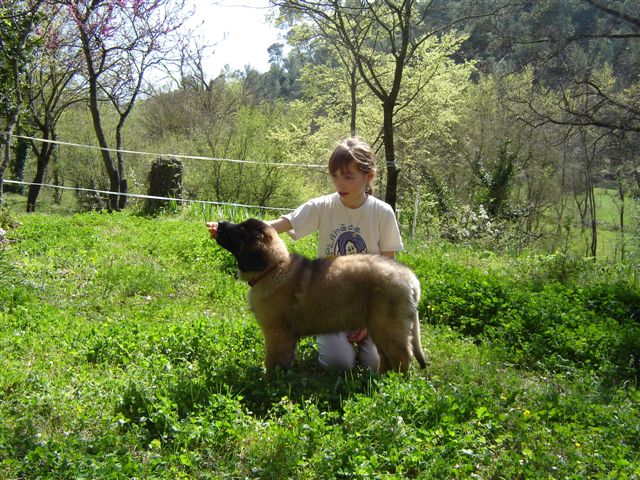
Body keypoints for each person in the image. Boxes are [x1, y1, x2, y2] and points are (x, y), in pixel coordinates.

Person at [208, 136, 403, 371]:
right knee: (339, 364)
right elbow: (279, 225)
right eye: (334, 175)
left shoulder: (382, 213)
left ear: (369, 176)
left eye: (348, 176)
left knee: (373, 364)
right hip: (329, 304)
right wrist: (228, 231)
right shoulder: (323, 206)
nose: (339, 183)